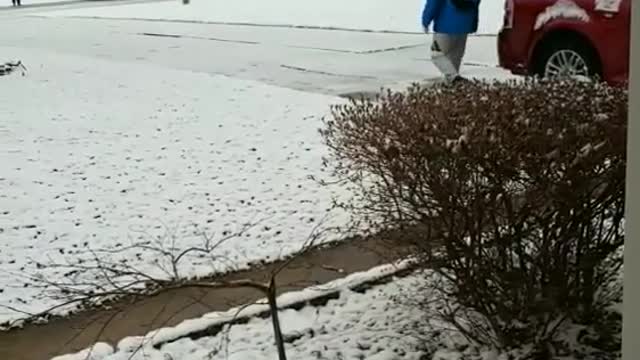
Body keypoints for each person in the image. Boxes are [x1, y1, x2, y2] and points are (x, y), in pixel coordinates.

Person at [421, 0, 481, 84]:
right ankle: (454, 84)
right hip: (465, 25)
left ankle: (454, 78)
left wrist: (425, 21)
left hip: (445, 25)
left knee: (437, 54)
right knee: (455, 55)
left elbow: (433, 2)